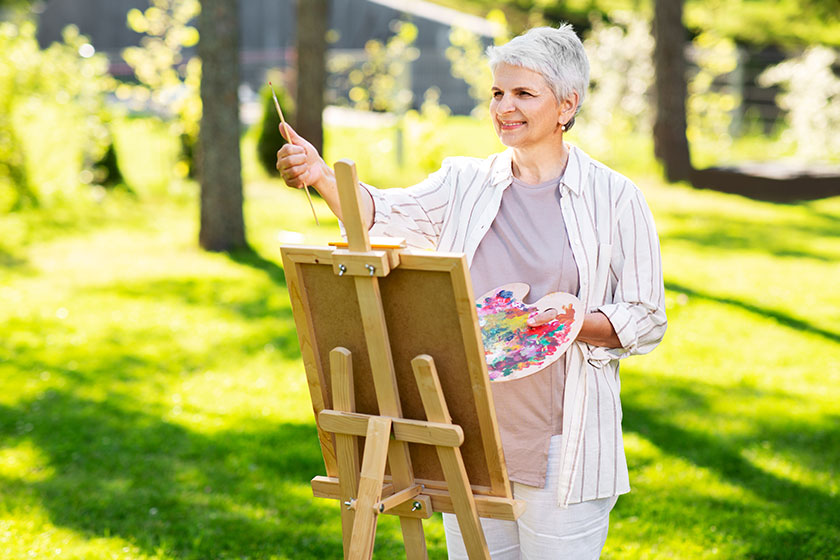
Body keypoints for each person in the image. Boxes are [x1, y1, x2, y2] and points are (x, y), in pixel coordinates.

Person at [277, 24, 667, 560]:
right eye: (497, 93)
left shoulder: (615, 198)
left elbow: (647, 316)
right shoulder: (464, 182)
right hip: (468, 439)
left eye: (524, 93)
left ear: (566, 105)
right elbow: (383, 215)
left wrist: (571, 322)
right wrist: (322, 176)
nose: (505, 106)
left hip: (563, 448)